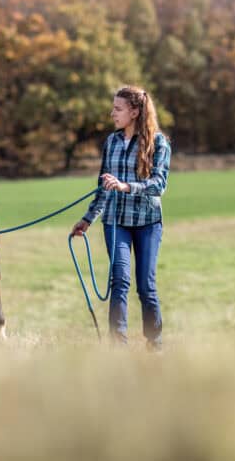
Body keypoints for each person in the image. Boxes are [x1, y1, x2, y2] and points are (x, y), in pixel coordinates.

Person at [71, 86, 171, 350]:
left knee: (146, 287)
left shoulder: (158, 143)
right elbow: (104, 186)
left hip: (148, 223)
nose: (112, 113)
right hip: (116, 222)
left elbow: (159, 184)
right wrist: (88, 219)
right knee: (119, 282)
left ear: (134, 112)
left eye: (118, 109)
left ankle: (155, 344)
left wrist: (126, 186)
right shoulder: (111, 142)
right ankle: (119, 348)